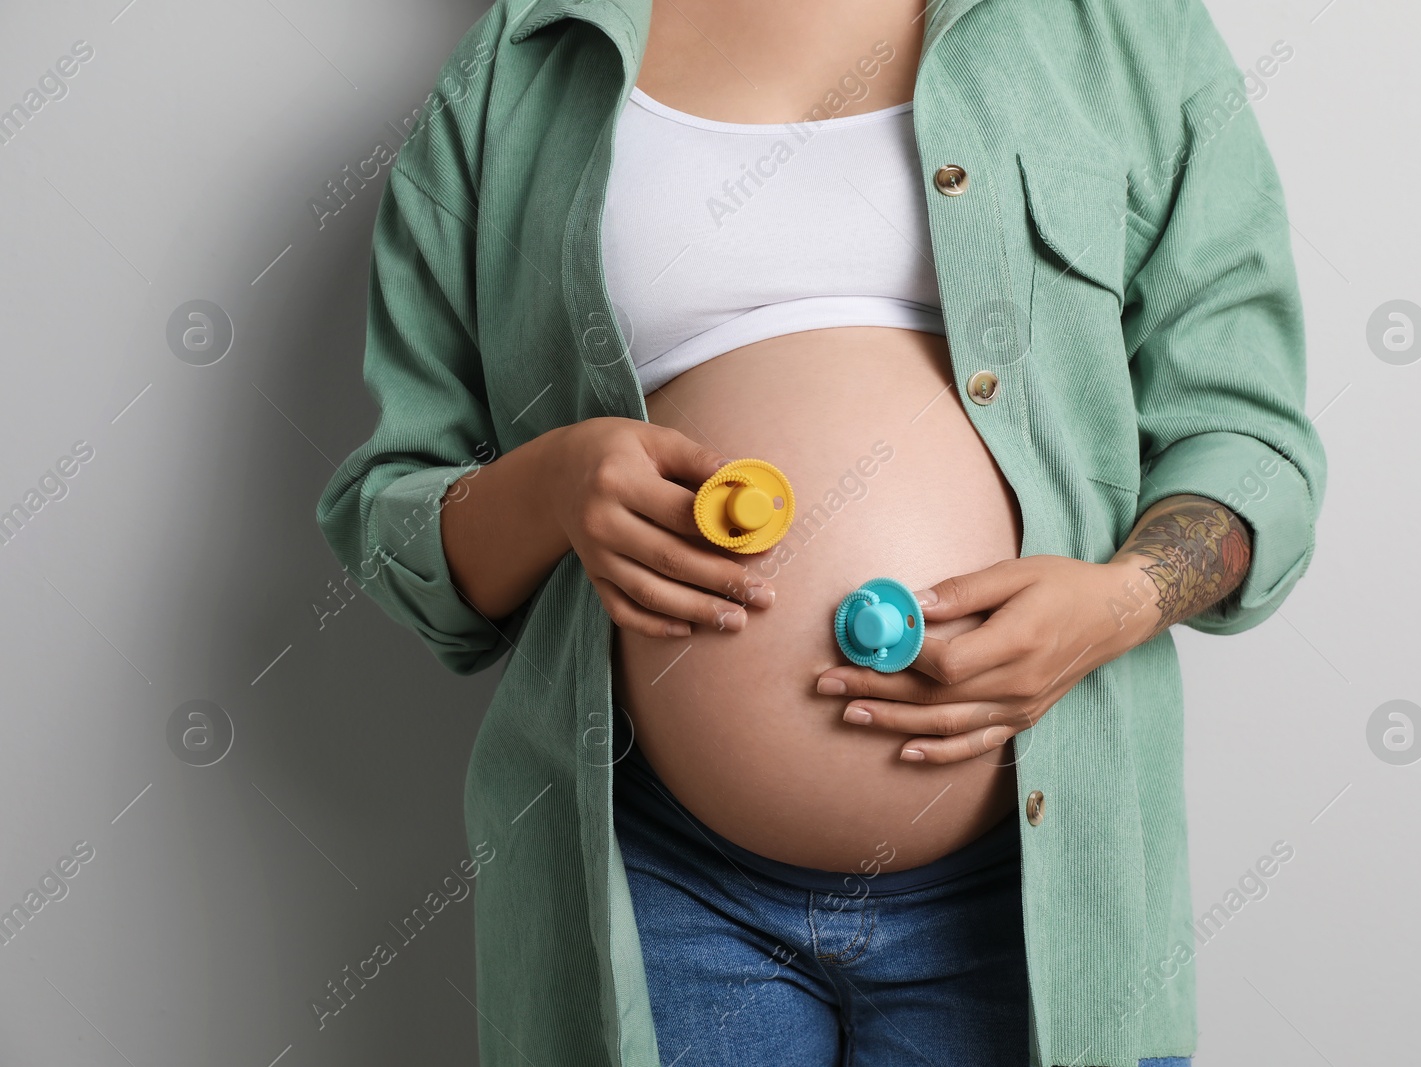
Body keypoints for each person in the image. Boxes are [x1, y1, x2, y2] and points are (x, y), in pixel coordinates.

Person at [315, 0, 1327, 1063]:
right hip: (656, 884)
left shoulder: (1116, 30)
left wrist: (1118, 602)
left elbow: (1249, 444)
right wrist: (555, 481)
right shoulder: (521, 67)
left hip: (1041, 891)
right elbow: (395, 526)